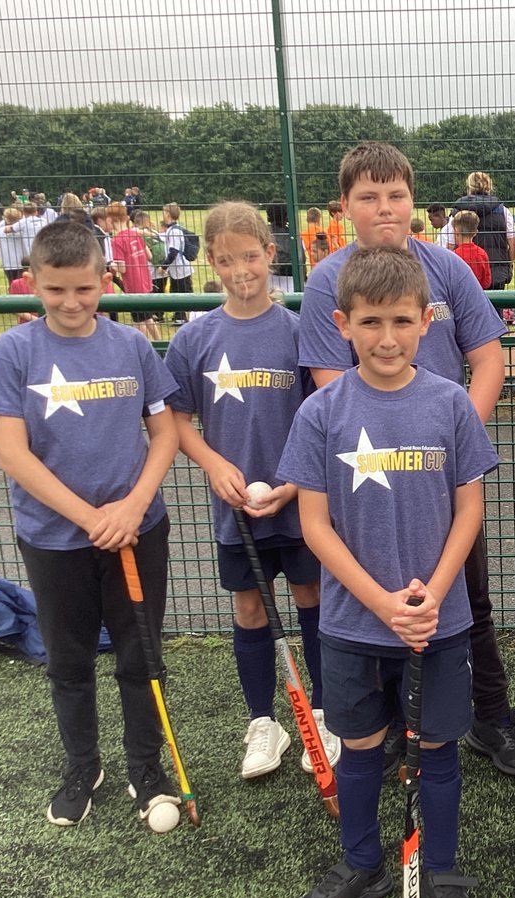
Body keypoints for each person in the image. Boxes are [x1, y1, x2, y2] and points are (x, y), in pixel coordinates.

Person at [297, 141, 515, 780]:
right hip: (368, 477)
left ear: (414, 201)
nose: (385, 209)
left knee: (467, 602)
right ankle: (390, 730)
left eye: (396, 195)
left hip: (443, 475)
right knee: (376, 607)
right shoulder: (329, 281)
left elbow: (488, 357)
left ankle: (490, 716)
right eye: (369, 197)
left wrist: (454, 442)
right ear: (345, 205)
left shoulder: (449, 268)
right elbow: (328, 381)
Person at [282, 246, 496, 898]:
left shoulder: (452, 404)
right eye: (370, 323)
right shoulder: (321, 412)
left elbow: (470, 508)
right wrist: (381, 602)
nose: (387, 337)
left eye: (402, 321)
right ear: (343, 324)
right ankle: (362, 860)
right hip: (353, 621)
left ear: (427, 320)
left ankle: (440, 868)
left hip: (439, 618)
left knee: (436, 748)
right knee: (362, 742)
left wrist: (430, 593)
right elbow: (315, 526)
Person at [0, 220, 183, 832]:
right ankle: (82, 766)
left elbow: (165, 433)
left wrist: (130, 508)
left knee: (141, 658)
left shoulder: (132, 346)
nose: (71, 303)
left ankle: (146, 769)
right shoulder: (15, 351)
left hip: (138, 532)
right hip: (54, 540)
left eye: (84, 289)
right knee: (68, 661)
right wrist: (93, 518)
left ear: (104, 280)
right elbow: (13, 453)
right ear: (33, 283)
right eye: (55, 290)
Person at [165, 201, 341, 781]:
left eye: (250, 256)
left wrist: (293, 485)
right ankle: (264, 722)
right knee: (248, 607)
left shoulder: (298, 332)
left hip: (300, 502)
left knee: (312, 597)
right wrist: (214, 465)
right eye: (225, 260)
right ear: (210, 263)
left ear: (270, 254)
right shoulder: (194, 339)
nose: (241, 269)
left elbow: (323, 417)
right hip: (235, 508)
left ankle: (323, 711)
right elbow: (178, 422)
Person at [452, 171, 515, 290]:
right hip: (497, 271)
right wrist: (507, 264)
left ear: (469, 186)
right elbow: (513, 244)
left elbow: (449, 244)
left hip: (463, 271)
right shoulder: (503, 211)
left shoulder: (457, 211)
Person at [110, 202, 160, 342]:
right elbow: (149, 256)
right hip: (146, 281)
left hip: (133, 285)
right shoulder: (135, 234)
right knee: (148, 317)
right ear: (126, 218)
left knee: (139, 321)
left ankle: (143, 348)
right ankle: (160, 343)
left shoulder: (117, 240)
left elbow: (122, 268)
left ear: (111, 220)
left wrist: (111, 264)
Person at [156, 203, 195, 322]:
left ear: (168, 213)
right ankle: (179, 315)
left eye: (164, 212)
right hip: (176, 269)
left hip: (180, 268)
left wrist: (163, 266)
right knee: (176, 290)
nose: (163, 214)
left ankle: (184, 317)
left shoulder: (174, 231)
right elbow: (164, 238)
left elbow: (173, 251)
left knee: (183, 292)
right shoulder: (173, 229)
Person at [451, 210, 492, 289]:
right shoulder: (482, 253)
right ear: (475, 232)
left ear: (456, 231)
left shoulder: (454, 255)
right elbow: (487, 282)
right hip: (478, 293)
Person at [0, 206, 28, 284]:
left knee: (12, 283)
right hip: (22, 261)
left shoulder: (1, 230)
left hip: (8, 262)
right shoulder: (23, 229)